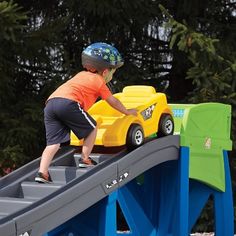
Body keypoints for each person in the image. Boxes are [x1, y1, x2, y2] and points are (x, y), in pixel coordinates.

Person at [35, 42, 137, 183]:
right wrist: (127, 112)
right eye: (113, 71)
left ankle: (42, 173)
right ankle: (85, 159)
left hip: (51, 104)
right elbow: (113, 101)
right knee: (92, 128)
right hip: (68, 103)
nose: (113, 75)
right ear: (106, 71)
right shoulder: (99, 81)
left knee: (53, 144)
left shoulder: (81, 75)